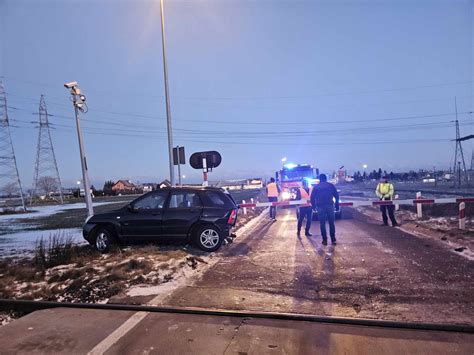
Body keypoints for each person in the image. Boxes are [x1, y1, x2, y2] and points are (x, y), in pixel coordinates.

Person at [310, 174, 339, 246]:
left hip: (320, 207)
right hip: (330, 206)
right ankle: (333, 239)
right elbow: (336, 195)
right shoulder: (330, 185)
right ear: (326, 179)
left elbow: (312, 197)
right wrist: (337, 205)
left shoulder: (316, 187)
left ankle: (324, 240)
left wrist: (314, 206)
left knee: (322, 224)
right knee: (331, 223)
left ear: (320, 179)